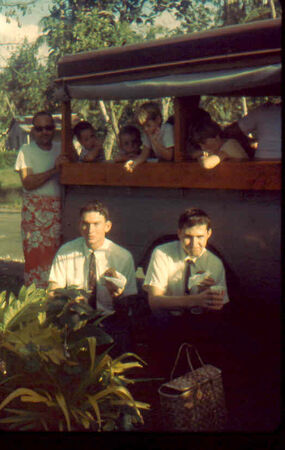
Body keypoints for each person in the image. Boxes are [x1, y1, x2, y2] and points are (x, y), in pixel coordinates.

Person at [143, 208, 231, 375]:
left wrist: (210, 297)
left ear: (209, 234)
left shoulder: (214, 263)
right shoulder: (162, 253)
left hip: (199, 324)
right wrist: (196, 300)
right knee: (166, 371)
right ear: (179, 233)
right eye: (188, 237)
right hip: (166, 322)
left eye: (200, 237)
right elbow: (154, 302)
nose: (194, 243)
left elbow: (219, 309)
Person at [48, 200, 138, 353]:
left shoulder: (122, 256)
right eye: (85, 224)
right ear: (79, 225)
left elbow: (131, 303)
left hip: (109, 318)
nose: (90, 230)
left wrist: (118, 296)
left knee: (120, 337)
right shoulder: (66, 251)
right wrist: (68, 301)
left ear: (107, 226)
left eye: (96, 224)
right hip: (75, 317)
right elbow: (53, 290)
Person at [14, 111, 67, 288]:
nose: (44, 132)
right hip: (35, 216)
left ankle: (57, 302)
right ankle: (36, 305)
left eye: (48, 128)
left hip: (60, 213)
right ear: (32, 131)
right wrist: (54, 170)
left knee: (59, 260)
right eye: (39, 128)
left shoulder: (62, 148)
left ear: (54, 130)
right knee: (36, 261)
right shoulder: (26, 151)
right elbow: (28, 182)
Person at [124, 102, 174, 172]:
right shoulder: (148, 133)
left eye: (148, 125)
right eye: (143, 126)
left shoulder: (167, 130)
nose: (145, 129)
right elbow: (144, 154)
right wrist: (134, 163)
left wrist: (154, 142)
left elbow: (169, 156)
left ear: (158, 120)